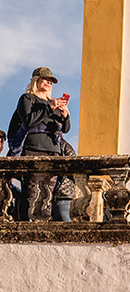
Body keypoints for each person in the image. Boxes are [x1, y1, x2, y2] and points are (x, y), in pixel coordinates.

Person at [7, 67, 71, 221]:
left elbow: (66, 130)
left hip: (53, 152)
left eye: (51, 81)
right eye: (46, 79)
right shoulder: (27, 99)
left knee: (47, 194)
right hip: (34, 150)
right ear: (36, 80)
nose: (49, 83)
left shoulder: (52, 102)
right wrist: (50, 108)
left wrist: (65, 116)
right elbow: (29, 121)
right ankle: (27, 225)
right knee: (32, 193)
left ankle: (43, 226)